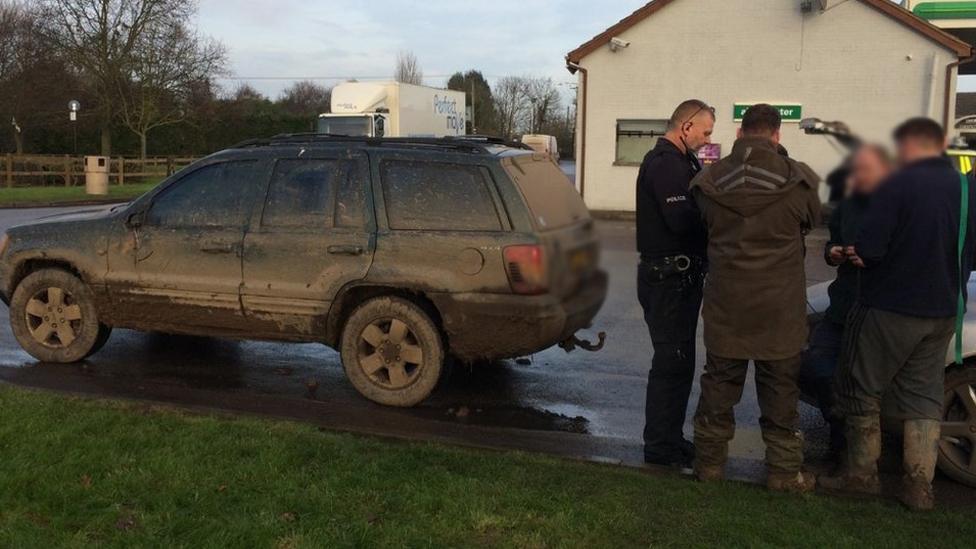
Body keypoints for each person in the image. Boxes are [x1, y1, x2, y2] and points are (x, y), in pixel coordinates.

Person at [823, 118, 975, 511]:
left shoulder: (896, 185)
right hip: (944, 310)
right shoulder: (966, 186)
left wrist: (856, 252)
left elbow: (870, 248)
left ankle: (859, 475)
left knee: (862, 387)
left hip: (890, 306)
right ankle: (919, 487)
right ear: (940, 145)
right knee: (925, 396)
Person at [689, 104, 821, 492]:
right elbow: (811, 221)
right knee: (781, 390)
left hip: (727, 304)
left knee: (718, 385)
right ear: (776, 135)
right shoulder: (801, 181)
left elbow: (704, 225)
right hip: (779, 308)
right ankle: (783, 473)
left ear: (741, 132)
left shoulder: (708, 180)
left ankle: (709, 466)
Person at [636, 99, 715, 467]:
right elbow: (681, 219)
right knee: (671, 362)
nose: (707, 138)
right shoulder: (666, 164)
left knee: (680, 362)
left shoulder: (683, 161)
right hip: (668, 278)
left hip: (677, 277)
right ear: (686, 126)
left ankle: (670, 438)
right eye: (705, 131)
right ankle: (659, 447)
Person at [800, 145, 893, 455]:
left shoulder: (898, 206)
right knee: (818, 365)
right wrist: (834, 252)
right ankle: (838, 430)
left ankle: (857, 454)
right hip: (841, 305)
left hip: (876, 307)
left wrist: (872, 257)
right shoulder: (848, 206)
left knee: (862, 382)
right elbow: (831, 244)